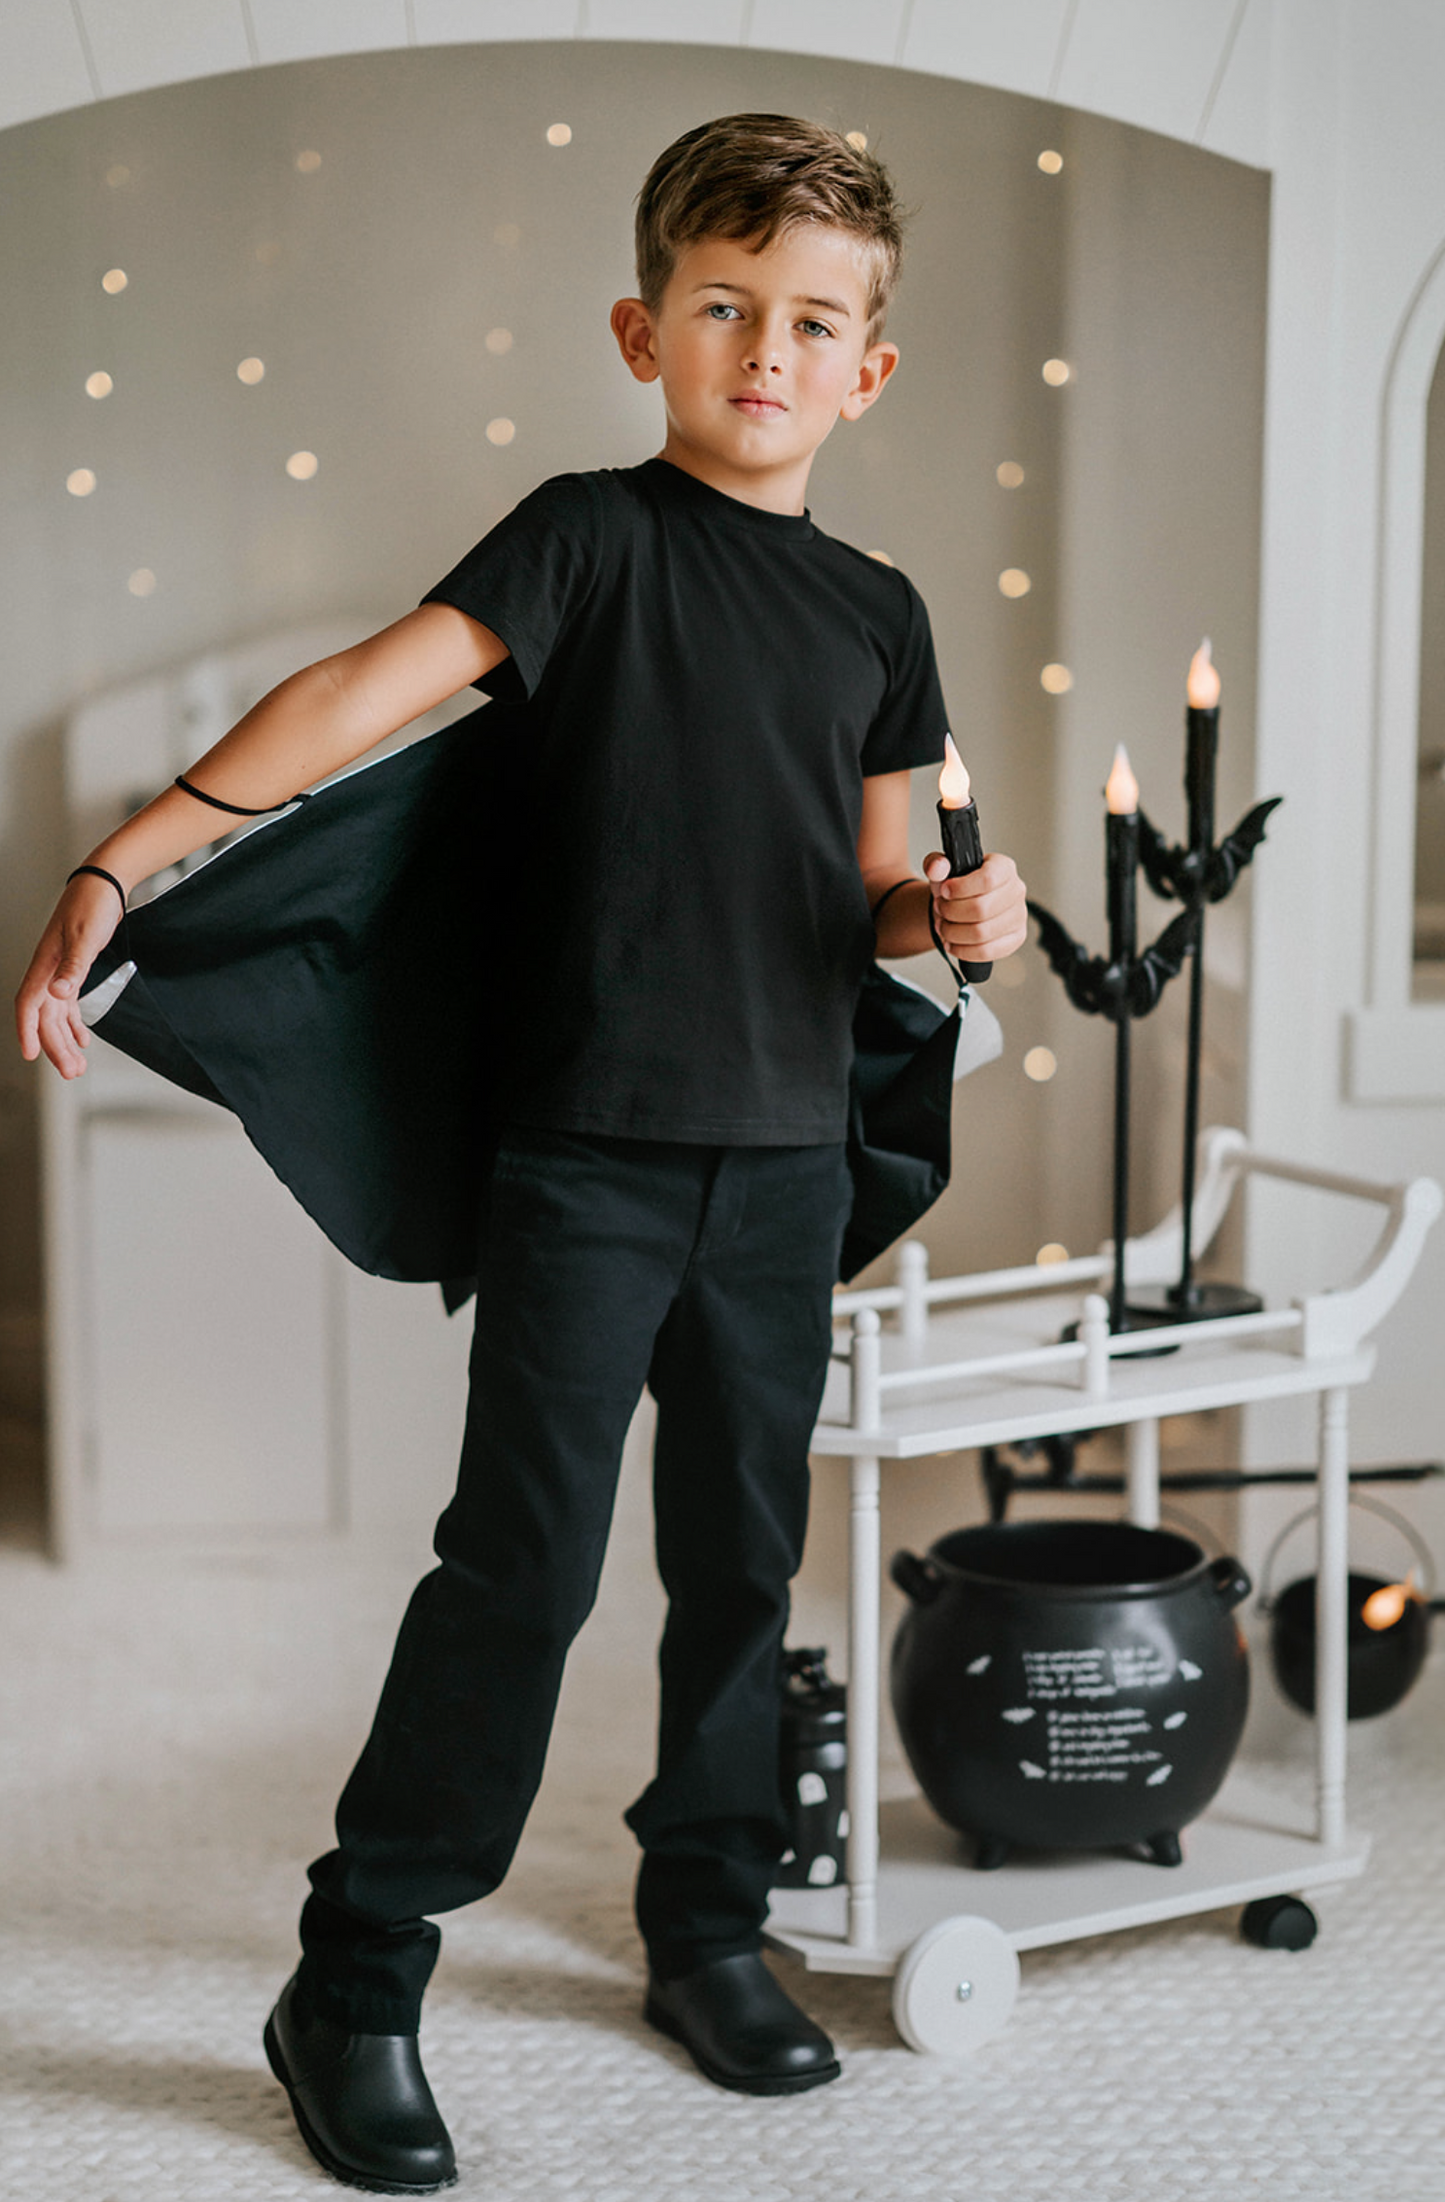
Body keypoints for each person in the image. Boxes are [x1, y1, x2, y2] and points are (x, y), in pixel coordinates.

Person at [16, 113, 1028, 2193]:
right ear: (642, 326)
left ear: (869, 370)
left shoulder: (881, 613)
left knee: (739, 1570)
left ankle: (704, 1925)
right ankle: (358, 1973)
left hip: (777, 1171)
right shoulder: (585, 538)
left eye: (810, 320)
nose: (765, 347)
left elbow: (877, 902)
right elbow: (356, 696)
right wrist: (126, 864)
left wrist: (953, 920)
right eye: (724, 306)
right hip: (585, 1161)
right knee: (519, 1573)